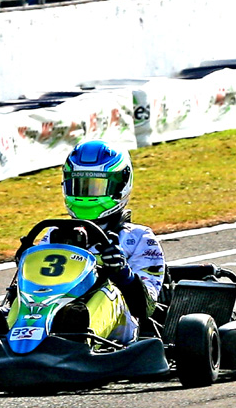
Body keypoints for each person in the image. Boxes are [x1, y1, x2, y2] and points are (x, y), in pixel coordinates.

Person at [34, 140, 166, 344]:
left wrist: (122, 273)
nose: (86, 195)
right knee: (31, 295)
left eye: (96, 187)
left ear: (120, 185)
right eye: (80, 186)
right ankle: (4, 328)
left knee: (108, 291)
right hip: (55, 308)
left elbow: (146, 307)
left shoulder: (139, 238)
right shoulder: (54, 233)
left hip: (122, 324)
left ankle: (79, 334)